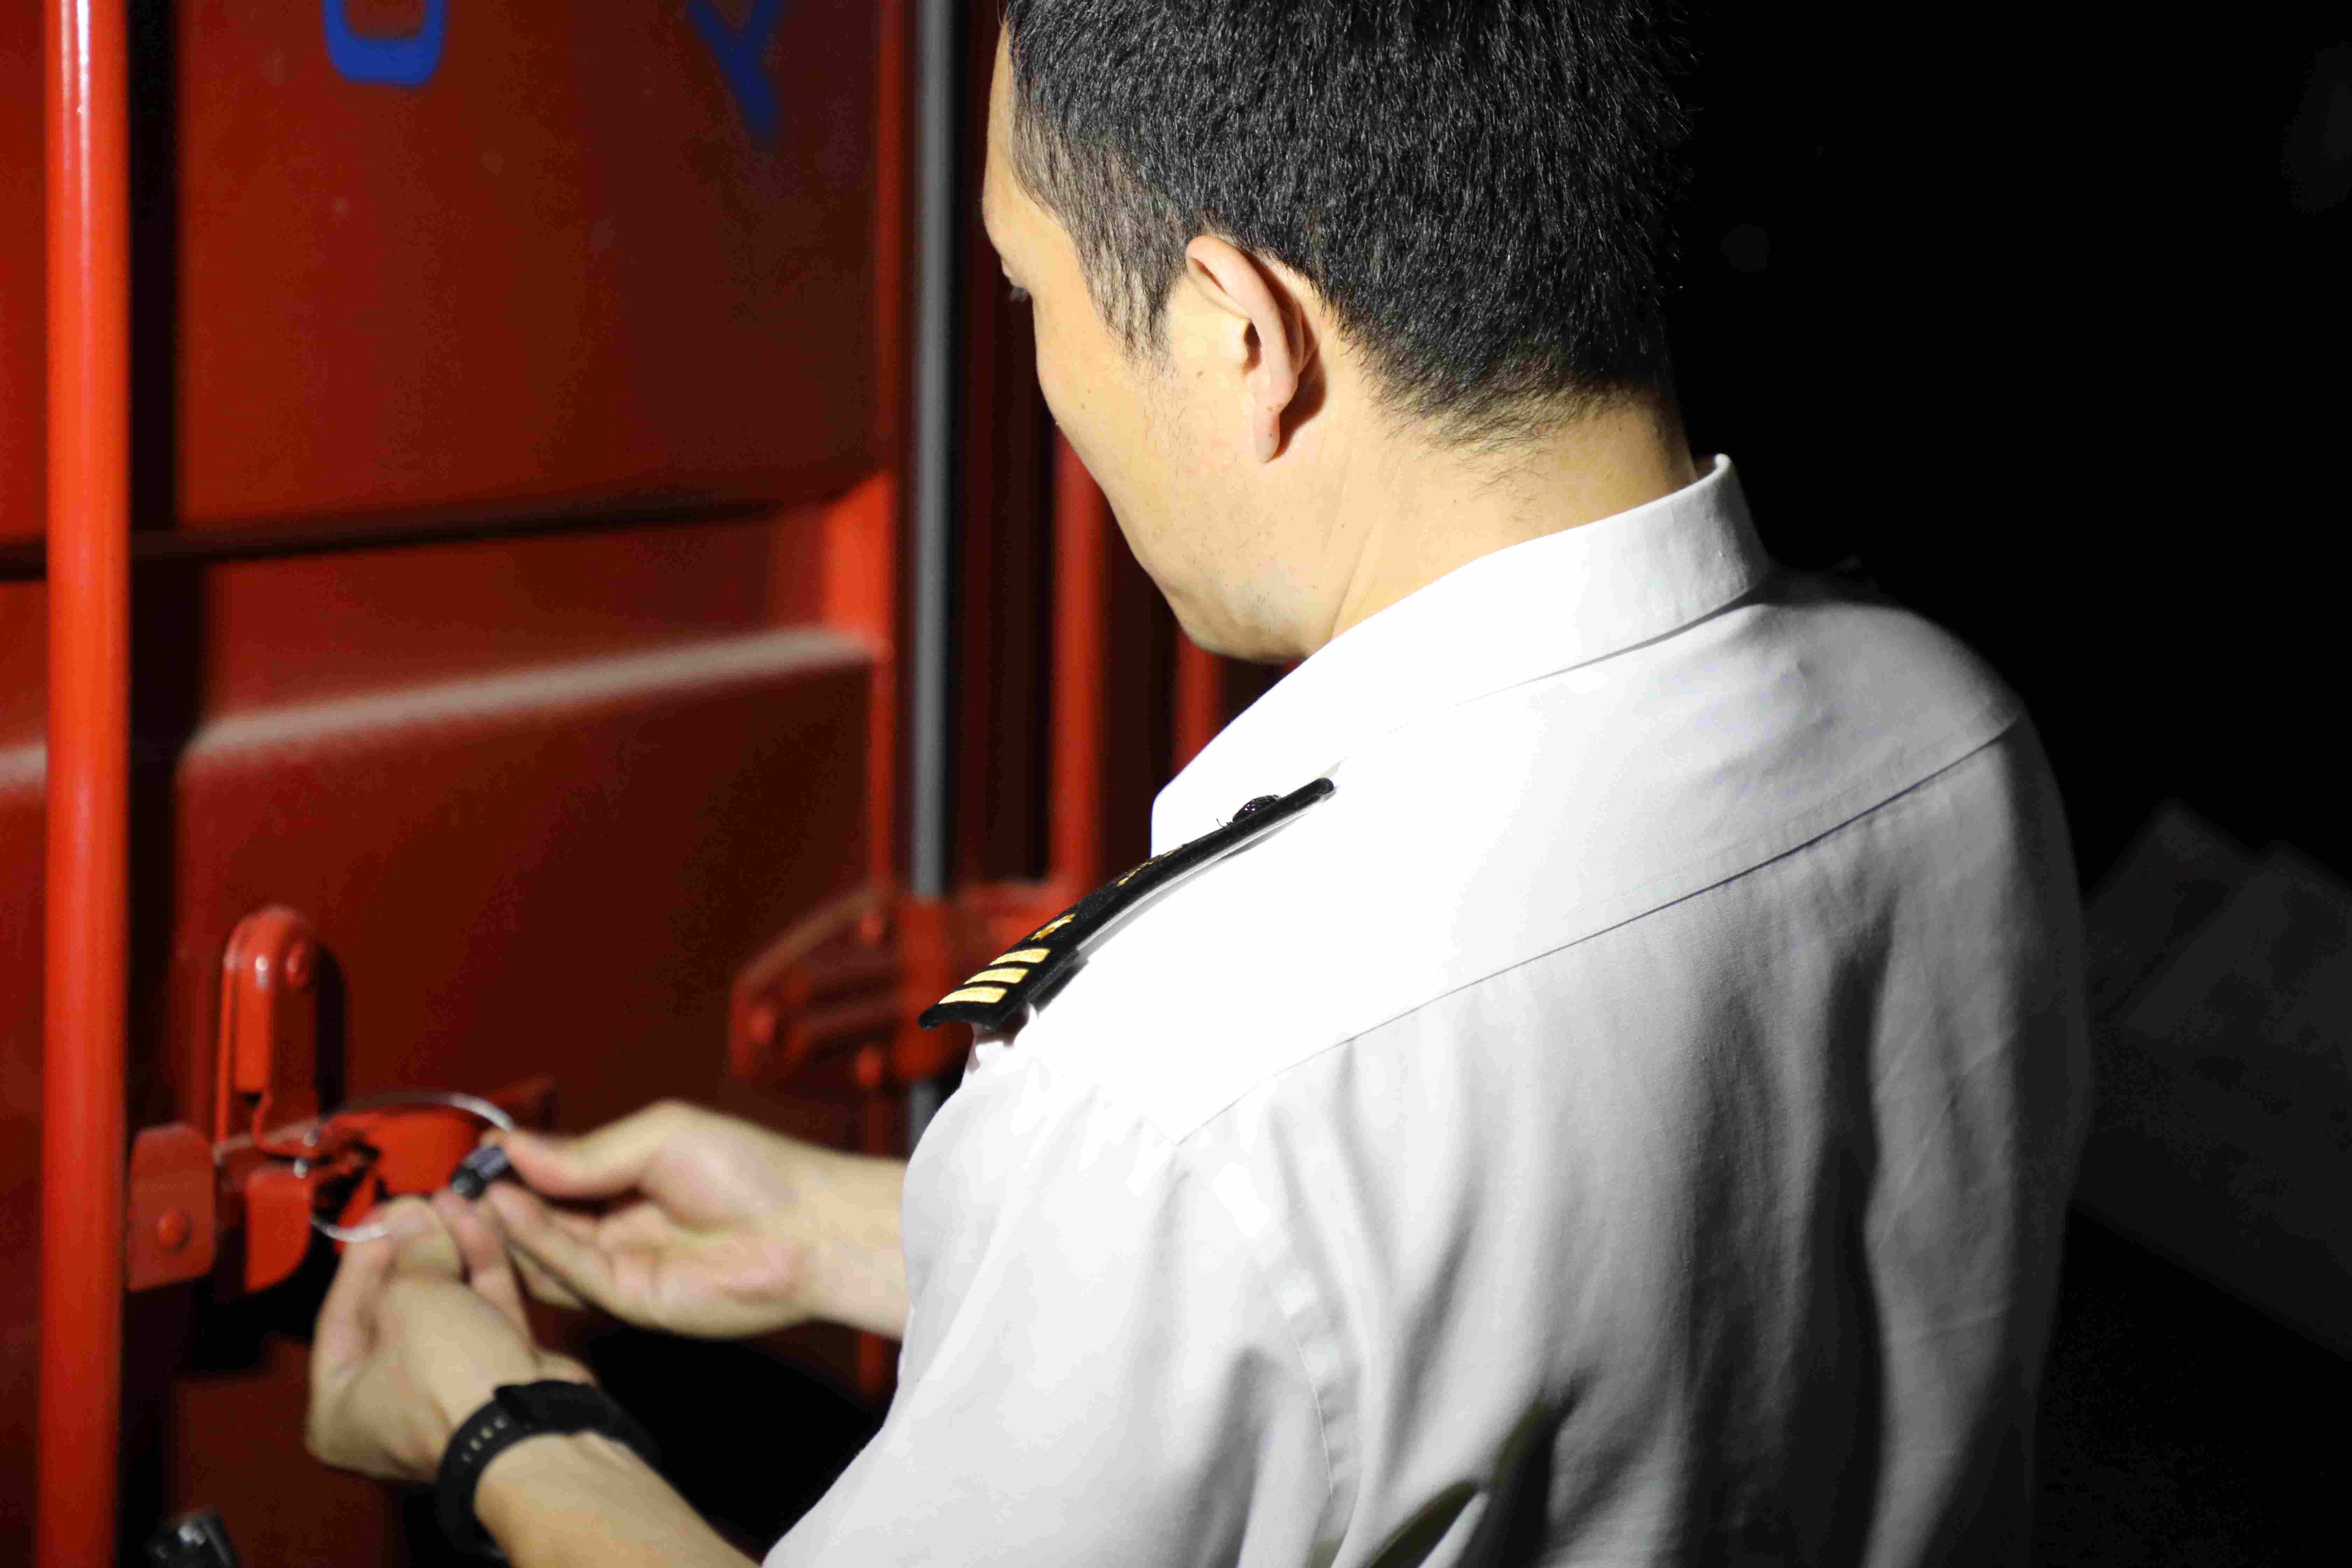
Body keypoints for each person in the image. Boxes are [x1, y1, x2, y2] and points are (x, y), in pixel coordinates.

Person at [305, 3, 2091, 1563]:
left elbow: (1314, 1224)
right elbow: (1565, 1296)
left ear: (1245, 332)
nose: (1044, 369)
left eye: (1030, 291)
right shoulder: (1950, 733)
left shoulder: (1196, 1082)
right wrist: (835, 1236)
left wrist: (507, 1434)